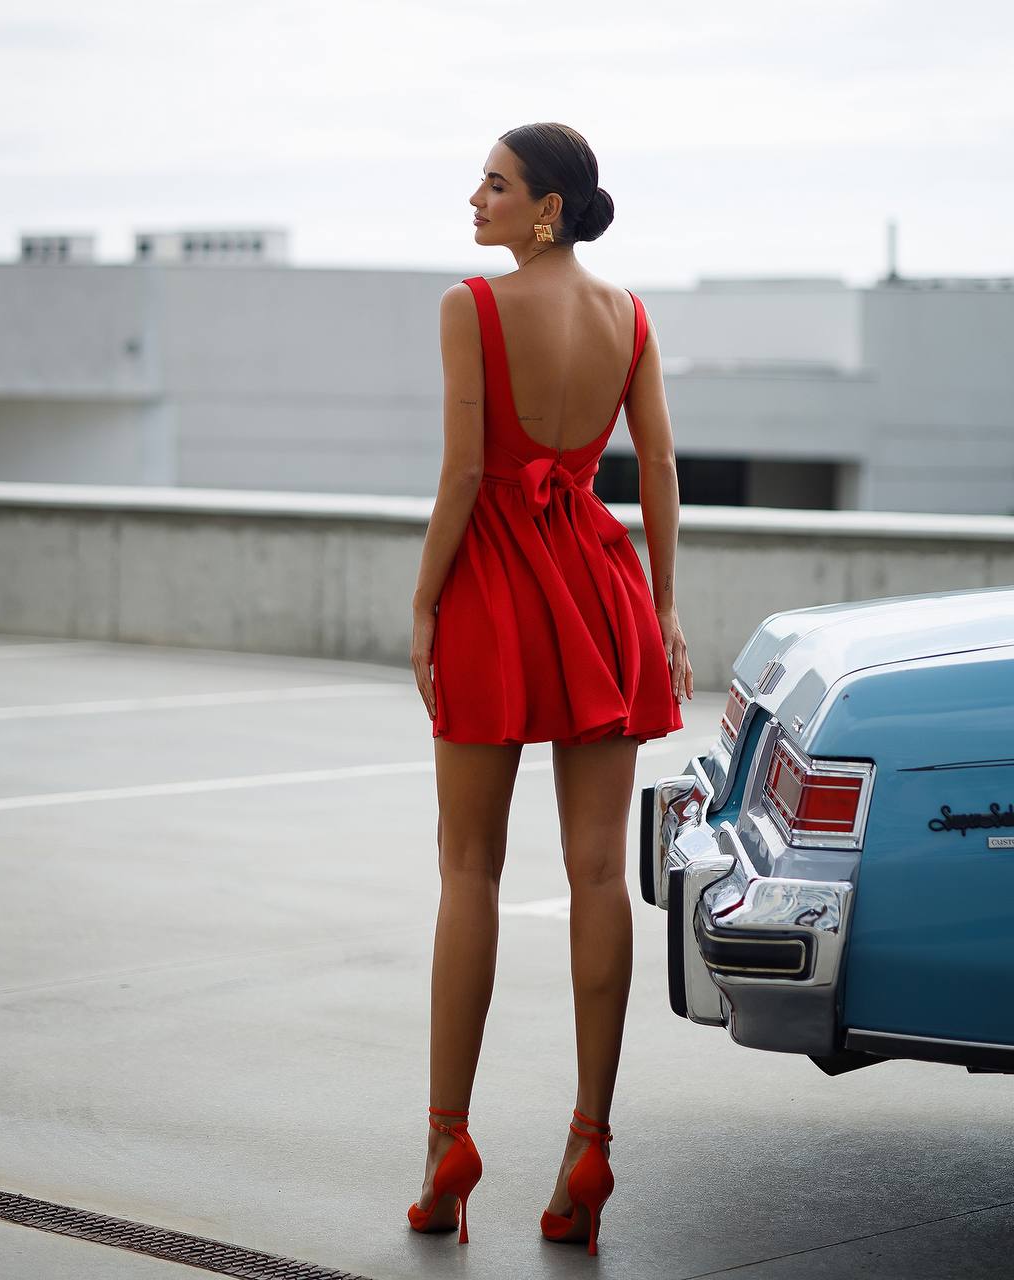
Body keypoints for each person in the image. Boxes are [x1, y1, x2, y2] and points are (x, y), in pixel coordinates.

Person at [407, 121, 692, 1256]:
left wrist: (424, 602)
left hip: (493, 588)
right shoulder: (630, 315)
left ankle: (446, 1149)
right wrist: (664, 607)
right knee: (598, 874)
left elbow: (464, 474)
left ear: (547, 208)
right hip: (601, 588)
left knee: (467, 866)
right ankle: (588, 1147)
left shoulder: (471, 307)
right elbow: (658, 467)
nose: (474, 198)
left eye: (496, 183)